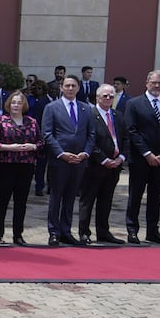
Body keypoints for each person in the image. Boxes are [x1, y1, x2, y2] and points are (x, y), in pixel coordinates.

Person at [124, 70, 160, 244]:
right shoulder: (134, 104)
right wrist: (147, 153)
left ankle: (153, 231)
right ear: (147, 82)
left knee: (155, 197)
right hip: (141, 159)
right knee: (136, 195)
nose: (157, 86)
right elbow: (131, 130)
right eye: (154, 82)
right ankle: (132, 230)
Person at [41, 75, 94, 247]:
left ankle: (66, 231)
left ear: (78, 88)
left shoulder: (86, 109)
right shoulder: (52, 108)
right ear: (61, 88)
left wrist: (85, 153)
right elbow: (47, 134)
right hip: (60, 161)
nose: (70, 88)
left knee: (71, 197)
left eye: (73, 86)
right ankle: (54, 232)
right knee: (56, 197)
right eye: (67, 85)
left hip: (80, 161)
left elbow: (91, 135)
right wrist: (62, 154)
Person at [77, 84, 127, 245]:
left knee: (106, 200)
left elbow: (125, 138)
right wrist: (104, 159)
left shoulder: (118, 115)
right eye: (105, 96)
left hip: (115, 165)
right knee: (88, 200)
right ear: (97, 97)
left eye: (111, 96)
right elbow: (88, 140)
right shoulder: (89, 115)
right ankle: (84, 232)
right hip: (94, 165)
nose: (108, 98)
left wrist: (122, 157)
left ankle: (103, 232)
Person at [0, 89, 38, 245]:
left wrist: (33, 146)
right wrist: (7, 147)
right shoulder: (0, 121)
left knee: (21, 201)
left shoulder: (32, 122)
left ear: (24, 105)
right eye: (14, 102)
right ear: (8, 104)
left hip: (26, 165)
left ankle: (18, 235)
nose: (16, 105)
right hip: (5, 165)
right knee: (2, 200)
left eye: (19, 102)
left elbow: (41, 142)